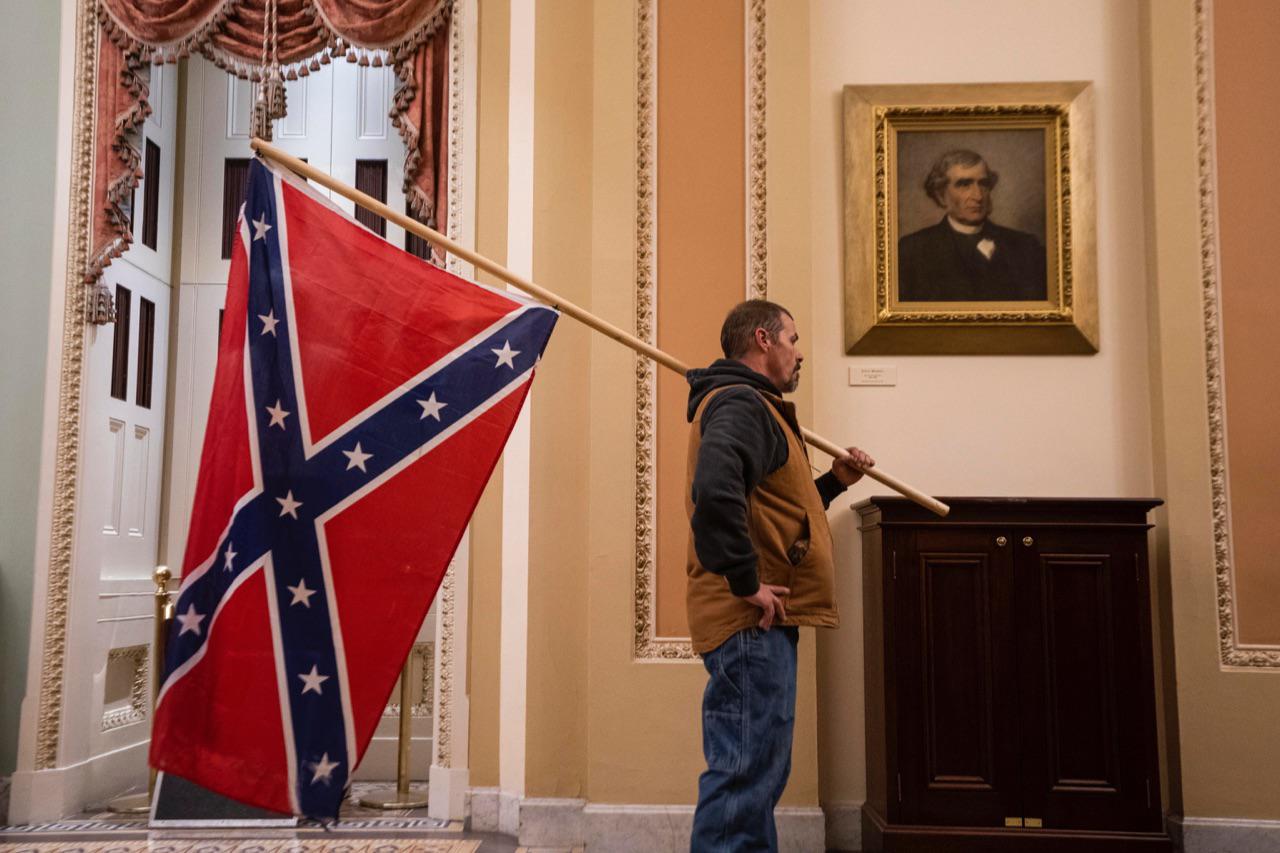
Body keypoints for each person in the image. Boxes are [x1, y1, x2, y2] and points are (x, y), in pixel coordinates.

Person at [685, 299, 874, 852]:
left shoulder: (752, 406)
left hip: (758, 620)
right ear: (764, 340)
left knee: (755, 775)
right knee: (745, 776)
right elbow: (715, 495)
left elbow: (779, 514)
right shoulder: (742, 404)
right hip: (751, 619)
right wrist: (747, 584)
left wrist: (835, 482)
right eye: (793, 340)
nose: (799, 354)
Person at [897, 149, 1047, 302]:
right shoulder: (911, 250)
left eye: (983, 184)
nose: (978, 196)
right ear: (941, 195)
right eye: (964, 184)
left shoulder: (1027, 246)